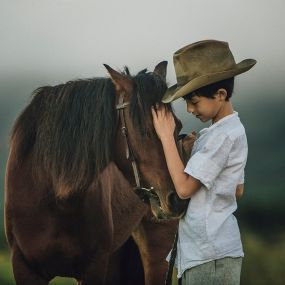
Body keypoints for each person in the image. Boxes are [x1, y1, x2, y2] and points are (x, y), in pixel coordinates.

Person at [151, 40, 256, 285]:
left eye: (194, 101)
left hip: (209, 254)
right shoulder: (223, 133)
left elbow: (185, 189)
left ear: (220, 95)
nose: (189, 109)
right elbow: (237, 190)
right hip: (210, 252)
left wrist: (167, 137)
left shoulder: (222, 136)